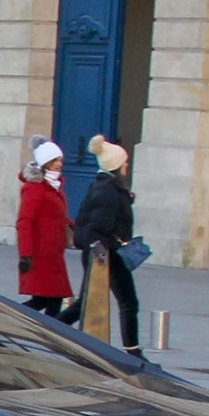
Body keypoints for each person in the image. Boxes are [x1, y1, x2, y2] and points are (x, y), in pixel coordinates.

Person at [72, 134, 140, 350]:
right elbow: (98, 226)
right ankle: (133, 352)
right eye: (125, 161)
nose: (127, 165)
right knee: (128, 302)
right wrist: (114, 245)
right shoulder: (108, 191)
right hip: (105, 254)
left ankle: (48, 329)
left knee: (85, 303)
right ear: (117, 166)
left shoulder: (106, 188)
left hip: (103, 253)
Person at [14, 139, 74, 321]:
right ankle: (9, 318)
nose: (60, 164)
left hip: (54, 254)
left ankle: (47, 335)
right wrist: (25, 255)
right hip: (39, 255)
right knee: (46, 299)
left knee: (49, 299)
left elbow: (58, 217)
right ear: (45, 163)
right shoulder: (35, 188)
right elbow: (24, 222)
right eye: (55, 160)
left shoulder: (54, 188)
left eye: (61, 160)